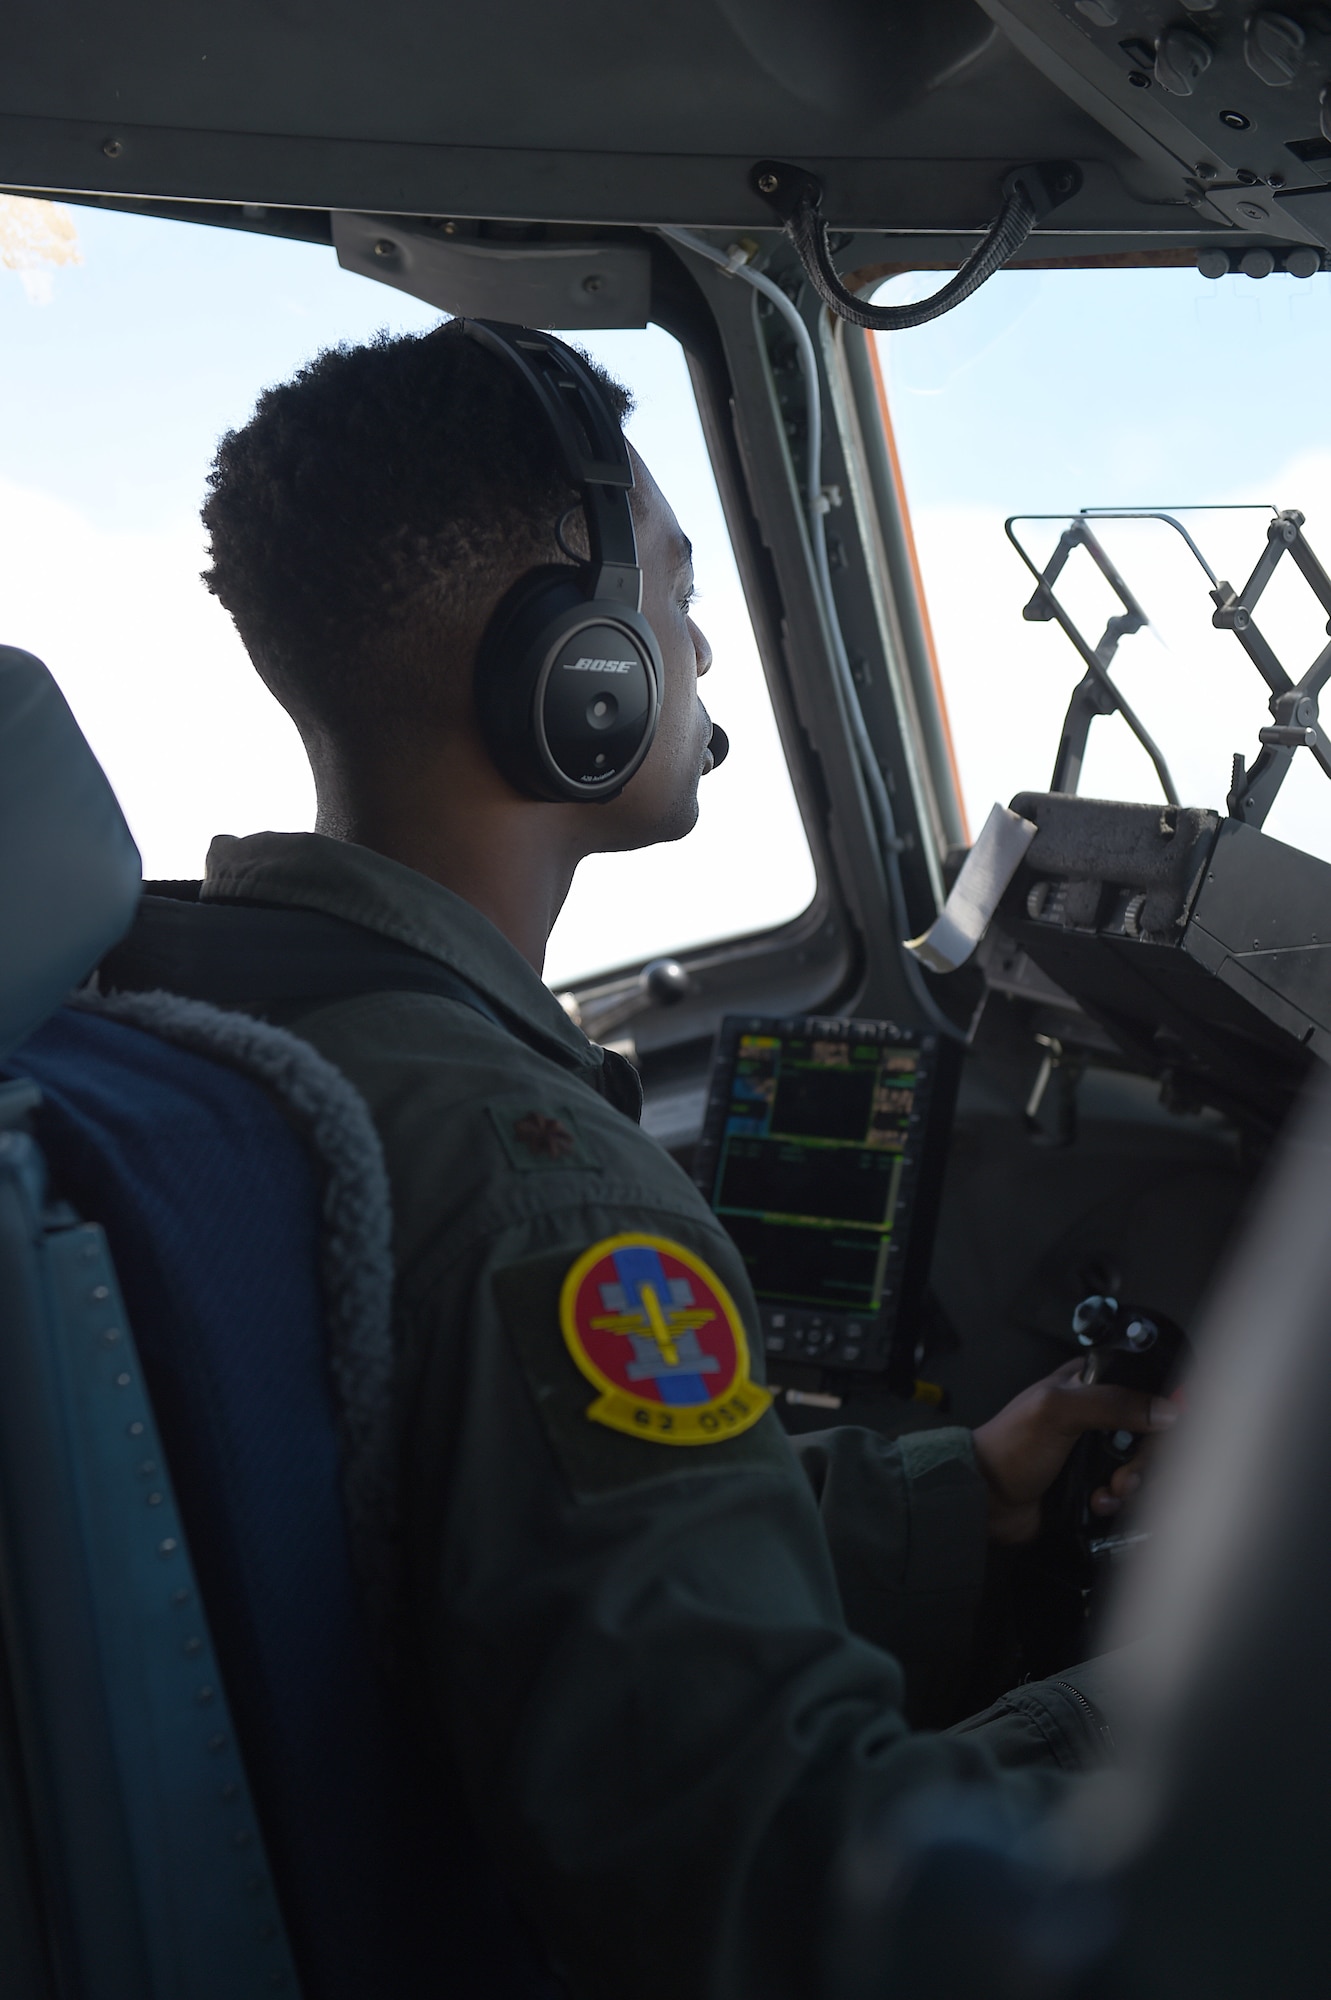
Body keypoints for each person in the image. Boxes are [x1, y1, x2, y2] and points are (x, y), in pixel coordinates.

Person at [113, 321, 1174, 1999]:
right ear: (575, 659)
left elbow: (479, 1554)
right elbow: (794, 1880)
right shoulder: (545, 1185)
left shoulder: (189, 1006)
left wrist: (957, 1492)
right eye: (674, 601)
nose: (695, 655)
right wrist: (1215, 1693)